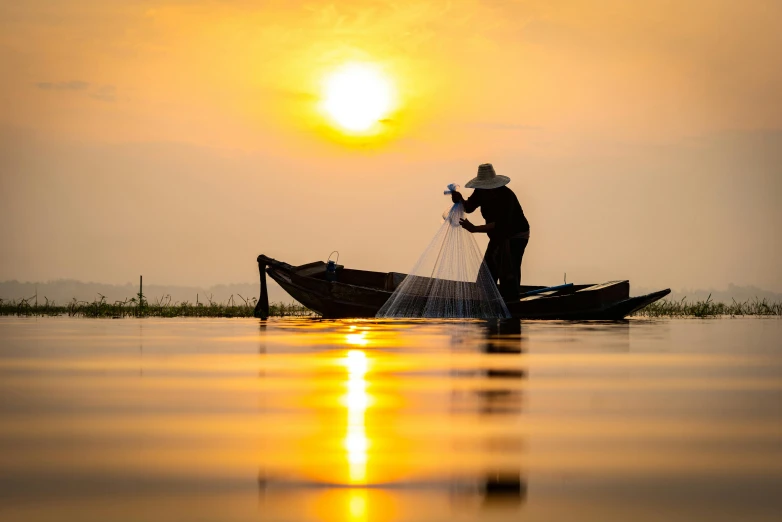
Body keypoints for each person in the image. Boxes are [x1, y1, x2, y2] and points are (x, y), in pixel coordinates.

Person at [451, 163, 530, 301]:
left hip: (516, 235)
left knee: (509, 271)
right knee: (488, 270)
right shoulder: (480, 192)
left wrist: (475, 229)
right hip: (498, 236)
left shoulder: (506, 196)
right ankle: (489, 301)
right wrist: (460, 200)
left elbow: (501, 224)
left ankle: (511, 302)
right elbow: (469, 207)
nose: (485, 190)